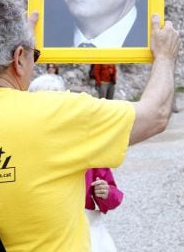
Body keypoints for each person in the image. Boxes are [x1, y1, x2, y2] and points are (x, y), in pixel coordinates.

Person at [0, 0, 178, 251]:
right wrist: (165, 57)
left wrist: (20, 49)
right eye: (31, 57)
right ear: (18, 59)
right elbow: (156, 114)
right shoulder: (58, 115)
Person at [28, 74, 123, 252]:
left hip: (88, 237)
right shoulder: (23, 146)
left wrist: (106, 192)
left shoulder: (86, 146)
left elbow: (113, 196)